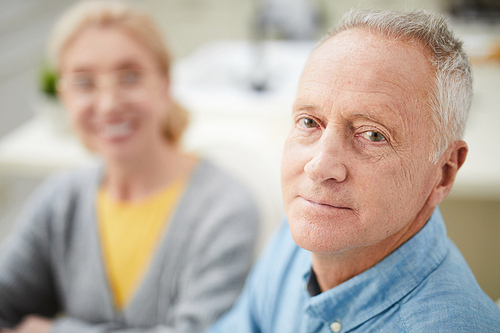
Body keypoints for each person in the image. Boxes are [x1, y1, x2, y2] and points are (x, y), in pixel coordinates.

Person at [207, 8, 500, 333]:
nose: (319, 167)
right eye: (309, 122)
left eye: (373, 135)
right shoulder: (302, 229)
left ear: (444, 173)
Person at [0, 1, 258, 332]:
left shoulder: (224, 209)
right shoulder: (60, 200)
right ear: (64, 98)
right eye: (84, 83)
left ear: (165, 86)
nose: (109, 104)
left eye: (130, 76)